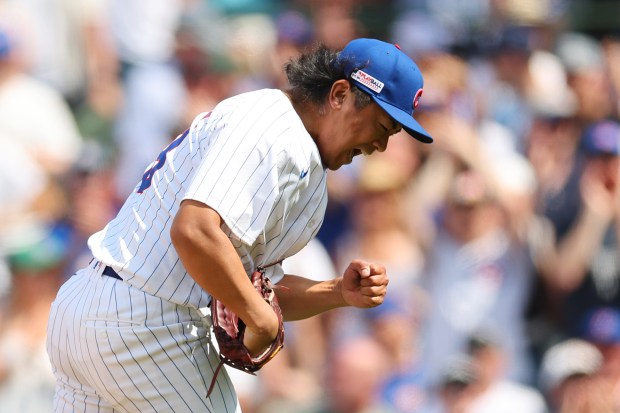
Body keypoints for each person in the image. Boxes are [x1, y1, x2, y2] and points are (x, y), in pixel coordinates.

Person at [45, 38, 433, 413]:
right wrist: (257, 313)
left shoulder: (302, 160)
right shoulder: (270, 126)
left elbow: (255, 289)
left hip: (93, 310)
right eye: (381, 127)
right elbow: (194, 230)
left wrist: (336, 292)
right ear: (339, 95)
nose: (379, 147)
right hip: (146, 321)